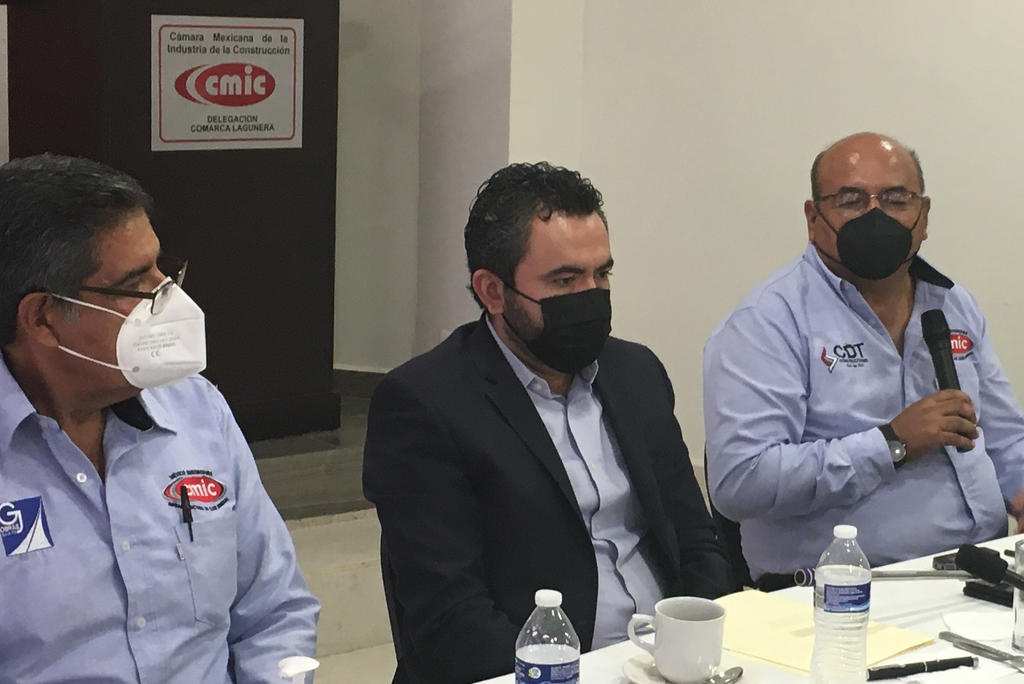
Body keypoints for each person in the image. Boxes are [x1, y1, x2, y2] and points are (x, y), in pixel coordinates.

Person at [363, 161, 731, 684]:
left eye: (602, 274)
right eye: (565, 280)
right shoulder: (425, 404)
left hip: (666, 663)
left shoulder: (636, 373)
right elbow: (450, 617)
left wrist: (698, 648)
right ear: (493, 291)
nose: (591, 295)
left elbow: (696, 542)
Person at [0, 154, 320, 682]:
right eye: (136, 283)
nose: (168, 296)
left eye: (163, 269)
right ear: (43, 319)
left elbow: (274, 613)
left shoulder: (196, 411)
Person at [703, 132, 1024, 589]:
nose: (876, 216)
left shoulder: (953, 304)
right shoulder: (767, 322)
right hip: (838, 591)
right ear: (813, 218)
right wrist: (891, 443)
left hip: (980, 573)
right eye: (851, 201)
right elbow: (741, 482)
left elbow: (1006, 436)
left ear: (924, 215)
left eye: (896, 199)